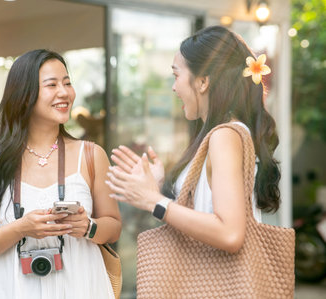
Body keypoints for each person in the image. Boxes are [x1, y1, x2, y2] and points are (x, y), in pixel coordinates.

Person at [106, 25, 280, 253]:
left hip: (218, 286)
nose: (174, 87)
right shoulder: (225, 133)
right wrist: (158, 188)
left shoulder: (224, 136)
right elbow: (204, 215)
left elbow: (230, 234)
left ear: (202, 82)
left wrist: (153, 201)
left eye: (176, 75)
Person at [0, 49, 121, 299]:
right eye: (52, 85)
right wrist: (21, 228)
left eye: (67, 83)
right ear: (25, 96)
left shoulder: (91, 155)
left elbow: (113, 228)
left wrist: (88, 227)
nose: (64, 92)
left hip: (83, 289)